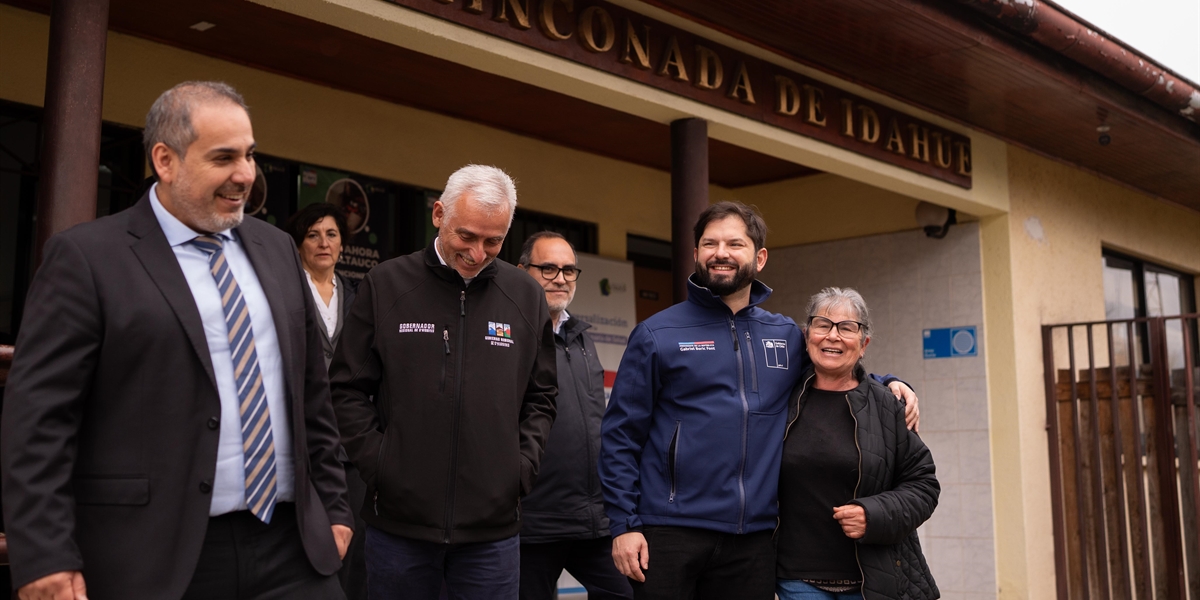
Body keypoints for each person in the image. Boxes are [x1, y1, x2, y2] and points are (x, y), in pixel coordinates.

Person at [1, 81, 352, 600]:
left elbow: (310, 393)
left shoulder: (276, 248)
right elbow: (39, 418)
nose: (245, 175)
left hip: (292, 548)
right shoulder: (87, 258)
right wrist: (43, 553)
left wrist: (335, 509)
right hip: (155, 556)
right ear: (165, 160)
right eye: (224, 157)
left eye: (250, 155)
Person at [599, 201, 918, 600]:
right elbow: (620, 437)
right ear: (696, 253)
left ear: (759, 257)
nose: (721, 253)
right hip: (668, 532)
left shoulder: (785, 334)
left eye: (735, 243)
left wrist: (890, 381)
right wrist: (624, 526)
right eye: (710, 243)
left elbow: (835, 366)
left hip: (753, 540)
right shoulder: (657, 334)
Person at [330, 165, 558, 600]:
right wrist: (381, 465)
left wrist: (519, 469)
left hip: (492, 535)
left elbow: (542, 395)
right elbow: (346, 388)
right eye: (466, 237)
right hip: (398, 528)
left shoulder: (525, 295)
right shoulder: (386, 285)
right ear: (438, 214)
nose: (477, 253)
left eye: (494, 241)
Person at [776, 287, 938, 600]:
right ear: (807, 334)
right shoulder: (779, 398)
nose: (833, 336)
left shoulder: (888, 406)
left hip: (872, 582)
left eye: (847, 328)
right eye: (823, 324)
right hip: (794, 581)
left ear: (863, 344)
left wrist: (873, 514)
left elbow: (923, 485)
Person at [516, 232, 634, 600]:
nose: (561, 277)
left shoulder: (582, 338)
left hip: (592, 520)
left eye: (569, 269)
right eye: (548, 268)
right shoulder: (507, 336)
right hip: (531, 523)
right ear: (523, 272)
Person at [285, 203, 368, 600]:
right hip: (299, 434)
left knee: (351, 542)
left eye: (331, 234)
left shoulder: (359, 294)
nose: (323, 242)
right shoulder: (284, 289)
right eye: (313, 234)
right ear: (299, 243)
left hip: (350, 442)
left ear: (342, 244)